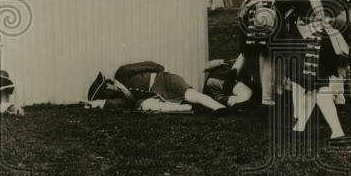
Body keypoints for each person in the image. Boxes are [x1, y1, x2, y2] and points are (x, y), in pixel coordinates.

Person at [273, 0, 351, 139]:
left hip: (307, 41)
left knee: (316, 83)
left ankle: (337, 131)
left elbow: (280, 5)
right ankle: (299, 126)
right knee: (313, 82)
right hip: (330, 40)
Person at [87, 61, 250, 113]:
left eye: (107, 87)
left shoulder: (122, 72)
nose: (111, 91)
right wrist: (98, 104)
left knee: (191, 94)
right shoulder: (123, 98)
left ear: (109, 82)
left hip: (165, 80)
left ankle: (220, 109)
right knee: (182, 104)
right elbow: (116, 105)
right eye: (107, 93)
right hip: (159, 96)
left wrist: (161, 74)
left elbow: (150, 65)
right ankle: (202, 108)